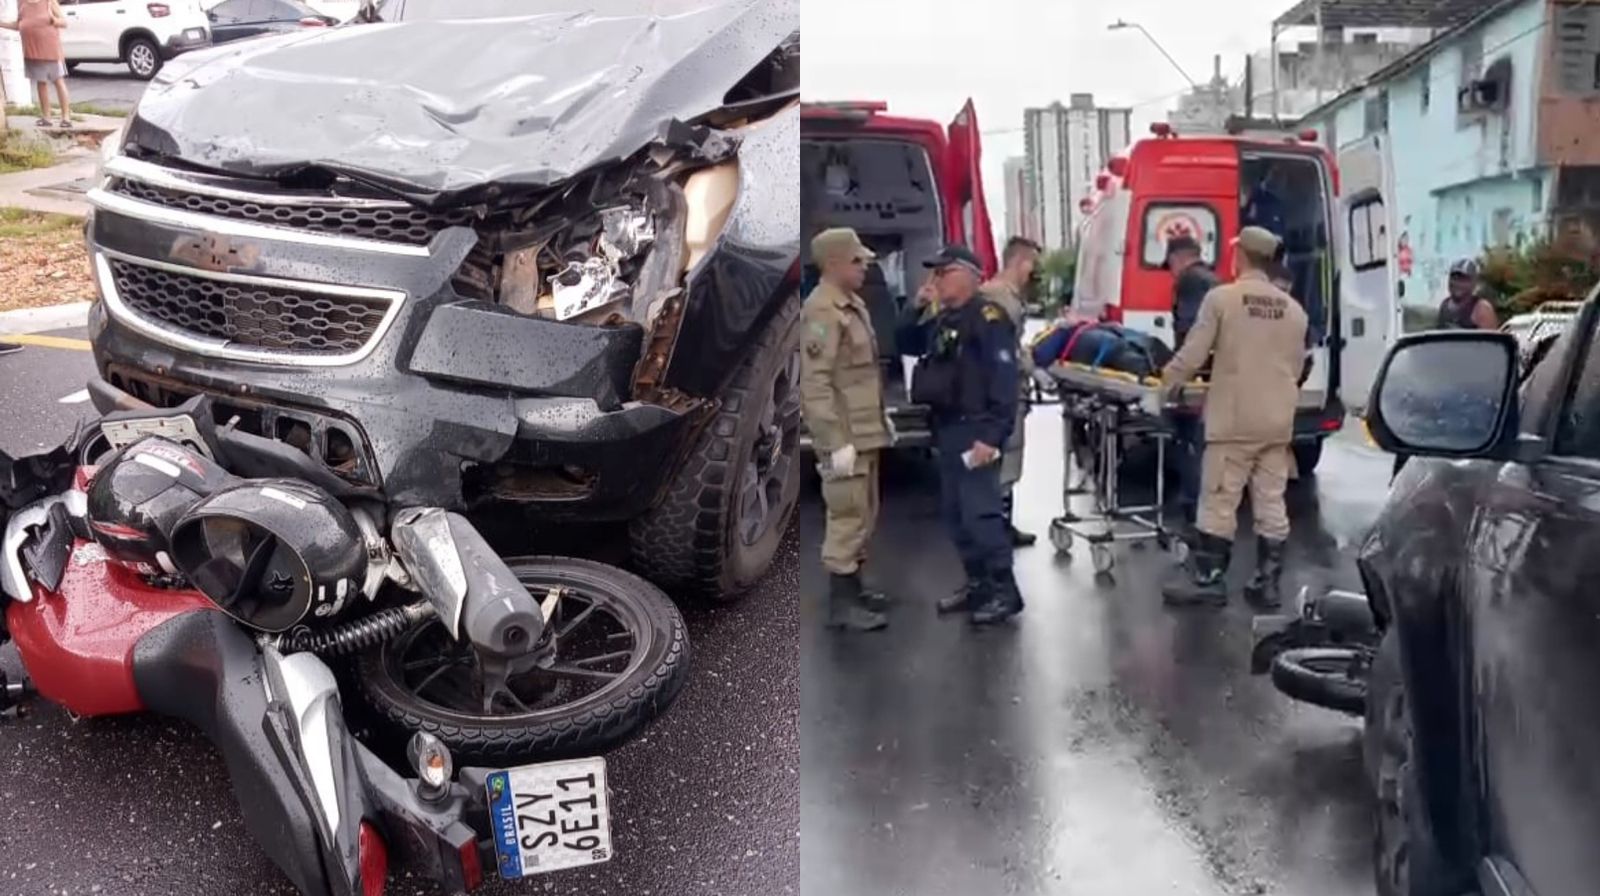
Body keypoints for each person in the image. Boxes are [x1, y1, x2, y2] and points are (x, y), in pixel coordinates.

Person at [1159, 227, 1307, 610]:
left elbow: (1193, 354)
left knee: (1220, 500)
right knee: (1271, 502)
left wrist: (1165, 386)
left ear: (1240, 256)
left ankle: (1209, 580)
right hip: (1277, 422)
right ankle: (1268, 584)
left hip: (1234, 420)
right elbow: (1296, 367)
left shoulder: (1222, 299)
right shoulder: (1294, 310)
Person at [899, 245, 1023, 625]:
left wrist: (993, 436)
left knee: (981, 514)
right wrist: (915, 308)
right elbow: (905, 343)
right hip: (948, 428)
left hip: (976, 430)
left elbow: (1005, 383)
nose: (936, 279)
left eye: (944, 272)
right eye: (934, 273)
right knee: (954, 515)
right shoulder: (943, 317)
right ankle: (979, 585)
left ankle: (1005, 591)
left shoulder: (988, 318)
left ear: (970, 275)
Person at [800, 228, 891, 632]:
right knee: (847, 515)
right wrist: (833, 442)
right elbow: (814, 383)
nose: (864, 266)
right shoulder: (821, 311)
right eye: (856, 260)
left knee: (864, 514)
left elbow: (862, 377)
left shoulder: (851, 305)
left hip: (865, 432)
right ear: (833, 263)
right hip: (845, 437)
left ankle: (854, 588)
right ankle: (842, 604)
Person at [980, 236, 1042, 548]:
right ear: (1020, 262)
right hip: (1000, 390)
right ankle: (996, 527)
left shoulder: (1007, 295)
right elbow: (1003, 348)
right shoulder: (998, 297)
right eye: (1032, 263)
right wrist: (1032, 370)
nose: (1034, 272)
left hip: (1009, 387)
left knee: (1010, 456)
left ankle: (1003, 524)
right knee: (1001, 457)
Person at [1164, 235, 1218, 532]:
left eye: (1171, 265)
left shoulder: (1188, 281)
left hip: (1199, 376)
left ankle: (1192, 509)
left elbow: (1190, 330)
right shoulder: (1215, 279)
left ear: (1179, 259)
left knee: (1187, 440)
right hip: (1219, 373)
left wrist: (1178, 375)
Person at [0, 0, 72, 129]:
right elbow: (19, 24)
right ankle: (46, 117)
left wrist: (53, 19)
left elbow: (64, 22)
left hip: (50, 49)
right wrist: (2, 24)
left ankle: (66, 117)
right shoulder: (21, 3)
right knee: (41, 82)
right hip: (32, 50)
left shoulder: (49, 1)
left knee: (58, 81)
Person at [1436, 258, 1499, 330]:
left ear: (1474, 283)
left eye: (1463, 280)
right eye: (1454, 278)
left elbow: (1490, 340)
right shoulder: (1444, 306)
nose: (1458, 283)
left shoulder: (1482, 308)